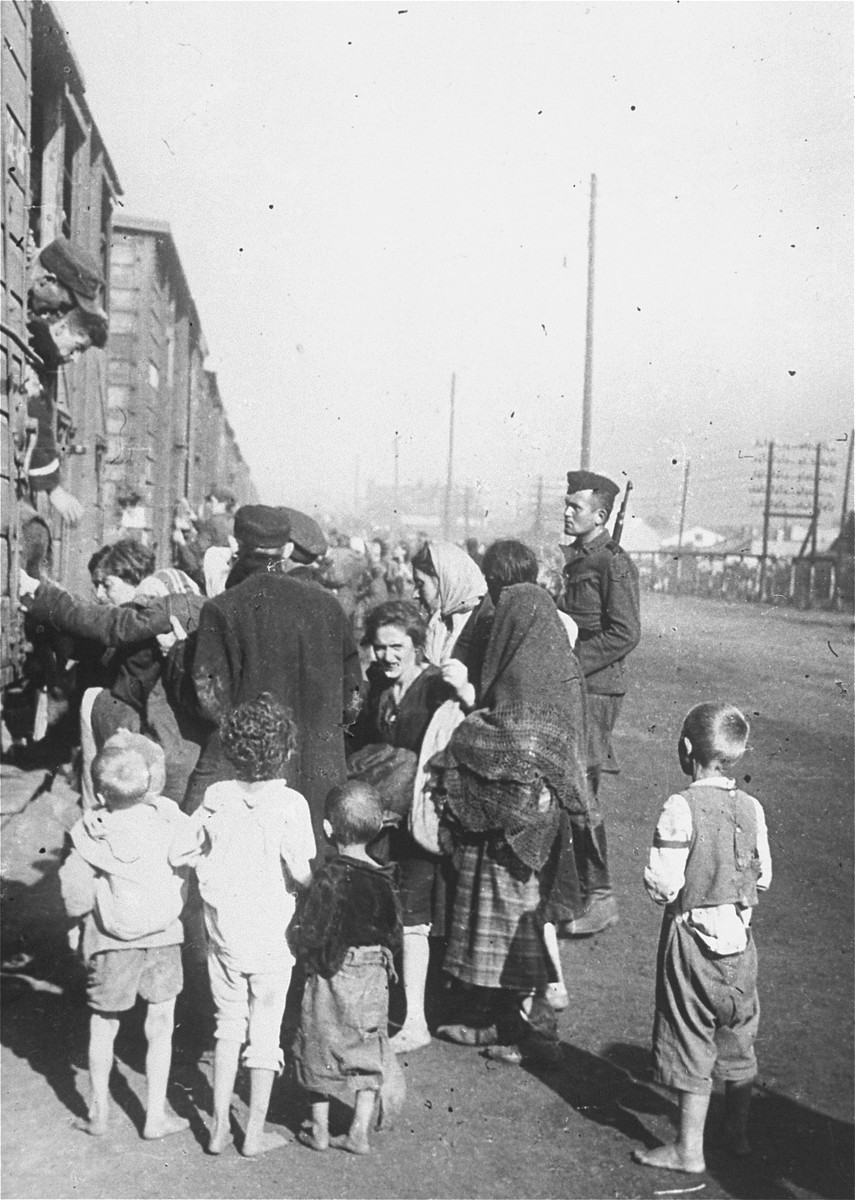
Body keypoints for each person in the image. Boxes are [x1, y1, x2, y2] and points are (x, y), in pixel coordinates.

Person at [436, 584, 589, 1065]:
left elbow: (500, 739)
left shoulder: (520, 691)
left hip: (520, 838)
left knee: (522, 934)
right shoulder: (560, 678)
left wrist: (468, 726)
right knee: (508, 930)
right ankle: (502, 1022)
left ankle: (539, 1038)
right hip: (531, 833)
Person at [169, 694, 315, 1157]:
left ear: (231, 750)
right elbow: (302, 872)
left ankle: (217, 1129)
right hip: (272, 934)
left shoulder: (217, 797)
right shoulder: (291, 803)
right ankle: (253, 1134)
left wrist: (206, 863)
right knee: (265, 1032)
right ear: (286, 751)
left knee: (228, 1023)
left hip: (224, 930)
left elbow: (183, 849)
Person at [634, 703, 771, 1174]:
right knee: (738, 1034)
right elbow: (763, 877)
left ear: (687, 747)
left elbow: (664, 885)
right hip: (740, 941)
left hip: (691, 941)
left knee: (688, 1035)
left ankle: (688, 1150)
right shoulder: (751, 806)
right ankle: (736, 1133)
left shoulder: (681, 806)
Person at [187, 505, 363, 850]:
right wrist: (333, 728)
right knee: (311, 859)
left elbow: (208, 698)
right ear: (287, 550)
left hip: (252, 774)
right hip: (321, 768)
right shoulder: (328, 606)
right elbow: (354, 693)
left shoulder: (223, 608)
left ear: (236, 546)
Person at [58, 739, 190, 1140]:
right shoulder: (169, 820)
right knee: (161, 1025)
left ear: (100, 795)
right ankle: (155, 1117)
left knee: (103, 1024)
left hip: (111, 941)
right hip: (163, 936)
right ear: (148, 785)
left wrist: (77, 923)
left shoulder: (91, 833)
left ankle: (99, 1114)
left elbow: (75, 892)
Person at [347, 600, 456, 1052]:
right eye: (380, 647)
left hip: (419, 819)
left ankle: (415, 1021)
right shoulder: (377, 683)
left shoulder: (435, 687)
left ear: (417, 645)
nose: (387, 656)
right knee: (383, 914)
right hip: (384, 818)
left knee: (414, 920)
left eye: (397, 647)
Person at [292, 781, 403, 1156]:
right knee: (366, 1047)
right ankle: (358, 1132)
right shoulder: (385, 877)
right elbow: (395, 932)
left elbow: (312, 929)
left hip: (333, 970)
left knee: (318, 1042)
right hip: (373, 970)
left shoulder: (330, 876)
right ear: (377, 828)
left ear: (327, 829)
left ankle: (320, 1130)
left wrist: (299, 944)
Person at [560, 469, 640, 936]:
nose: (567, 512)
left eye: (576, 506)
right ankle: (576, 890)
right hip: (577, 685)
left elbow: (625, 632)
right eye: (567, 504)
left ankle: (601, 895)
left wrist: (571, 662)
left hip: (595, 690)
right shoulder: (580, 558)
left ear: (601, 516)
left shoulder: (613, 563)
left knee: (581, 791)